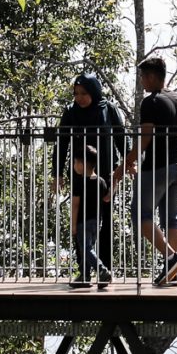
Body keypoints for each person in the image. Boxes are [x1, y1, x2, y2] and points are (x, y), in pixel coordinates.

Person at [127, 56, 177, 287]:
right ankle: (173, 273)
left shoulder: (151, 102)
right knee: (171, 219)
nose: (142, 81)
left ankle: (171, 257)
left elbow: (145, 138)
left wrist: (126, 163)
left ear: (152, 76)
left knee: (140, 214)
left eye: (143, 77)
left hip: (156, 167)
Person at [54, 72, 124, 288]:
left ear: (93, 92)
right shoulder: (70, 112)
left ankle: (104, 270)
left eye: (84, 93)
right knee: (80, 223)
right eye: (76, 93)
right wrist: (56, 173)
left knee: (102, 223)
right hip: (79, 175)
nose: (79, 98)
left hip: (103, 175)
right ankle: (84, 272)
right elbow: (62, 142)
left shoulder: (107, 108)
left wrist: (127, 163)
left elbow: (121, 135)